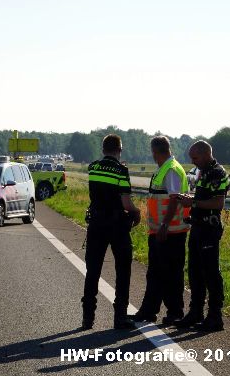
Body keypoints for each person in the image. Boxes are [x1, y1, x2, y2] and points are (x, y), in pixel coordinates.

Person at [82, 134, 141, 330]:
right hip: (117, 225)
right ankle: (120, 317)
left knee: (93, 270)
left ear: (103, 149)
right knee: (123, 270)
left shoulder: (93, 167)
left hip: (96, 223)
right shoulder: (121, 170)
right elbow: (126, 202)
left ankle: (88, 317)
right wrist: (136, 211)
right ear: (119, 149)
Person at [133, 136, 190, 325]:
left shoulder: (171, 169)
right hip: (161, 231)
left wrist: (164, 225)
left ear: (155, 151)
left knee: (171, 274)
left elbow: (174, 199)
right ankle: (149, 310)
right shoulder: (164, 168)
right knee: (156, 273)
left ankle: (175, 312)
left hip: (170, 231)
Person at [175, 140, 228, 332]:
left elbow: (217, 203)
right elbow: (201, 199)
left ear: (206, 154)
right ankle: (195, 312)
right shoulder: (203, 171)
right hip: (197, 227)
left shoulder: (217, 173)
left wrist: (193, 203)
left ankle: (215, 316)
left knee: (211, 273)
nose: (193, 161)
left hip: (209, 230)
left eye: (195, 157)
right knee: (195, 272)